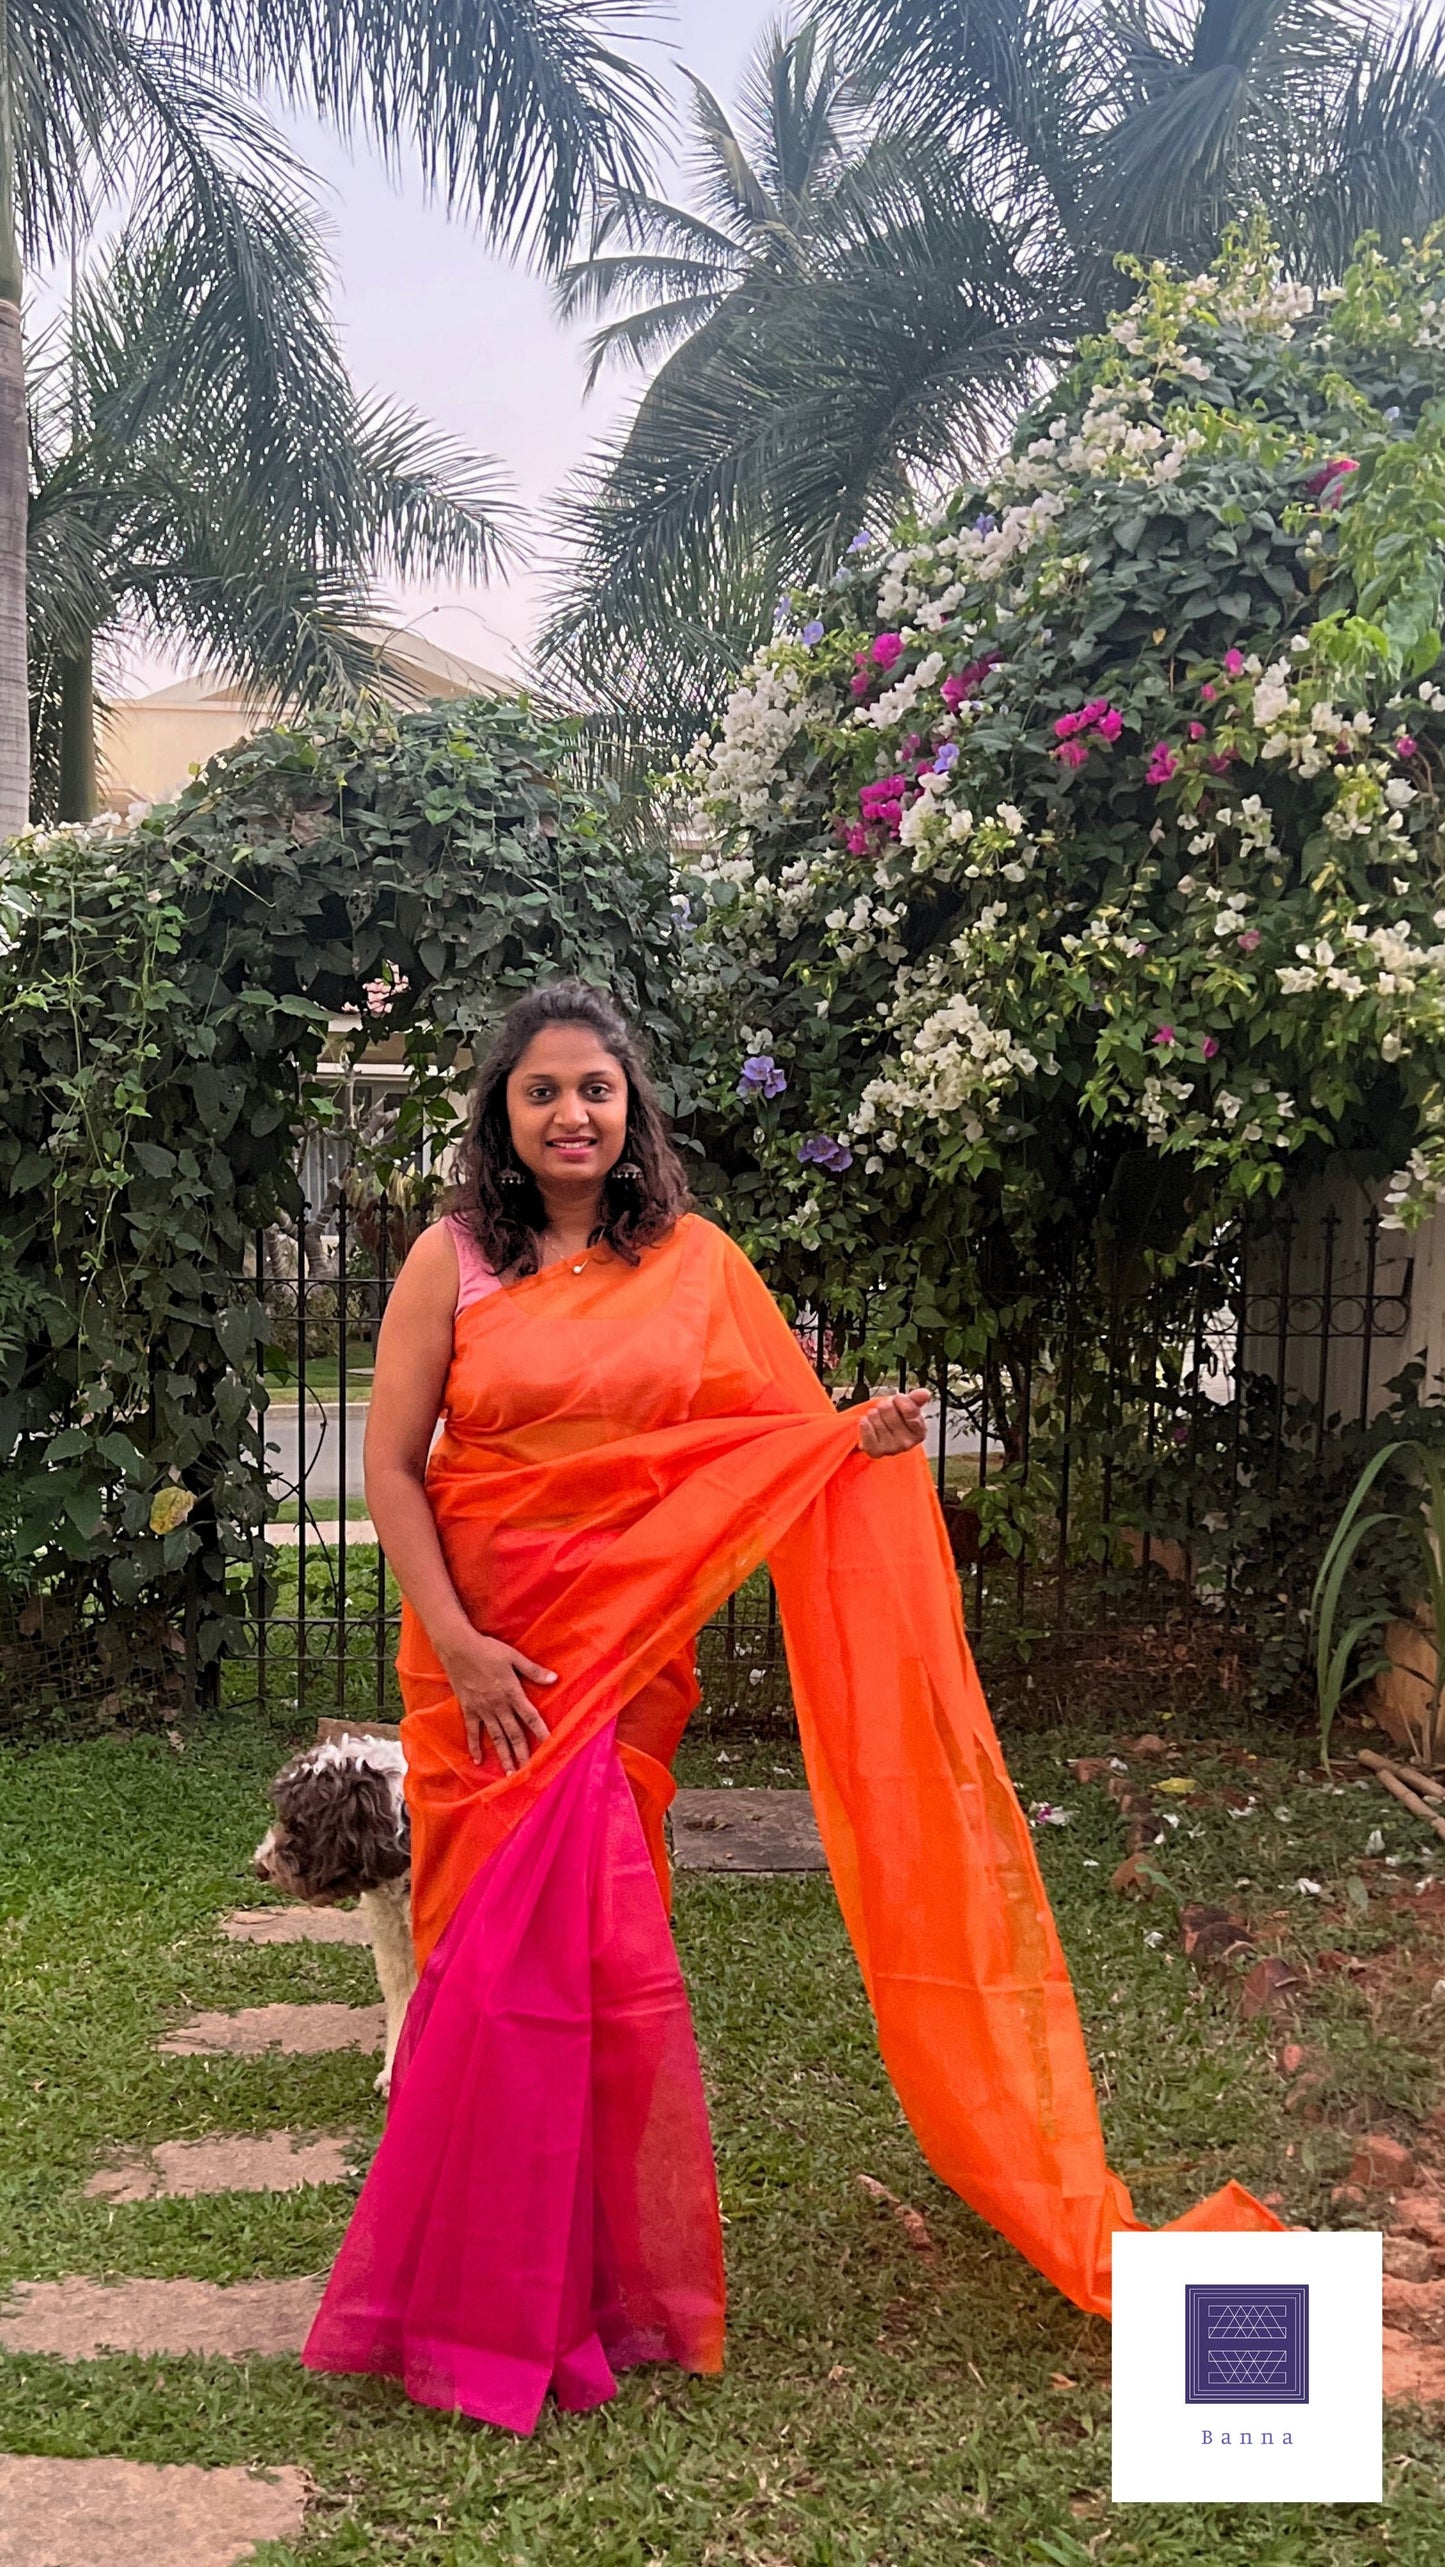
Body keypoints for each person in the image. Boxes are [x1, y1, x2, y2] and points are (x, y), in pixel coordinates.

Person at [302, 980, 1275, 2435]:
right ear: (500, 1119)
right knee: (487, 1974)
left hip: (616, 1665)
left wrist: (857, 1436)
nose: (572, 1113)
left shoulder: (694, 1264)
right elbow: (390, 1467)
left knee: (606, 1973)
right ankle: (469, 2299)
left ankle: (599, 2296)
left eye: (597, 1090)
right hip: (483, 1672)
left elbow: (765, 1439)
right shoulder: (449, 1264)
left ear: (634, 1114)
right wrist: (458, 1639)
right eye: (541, 1091)